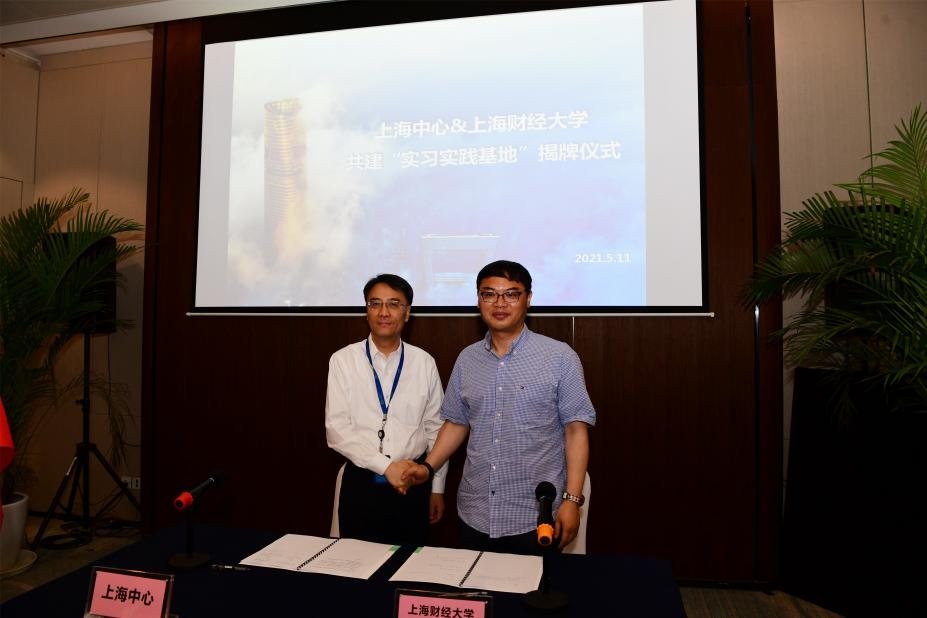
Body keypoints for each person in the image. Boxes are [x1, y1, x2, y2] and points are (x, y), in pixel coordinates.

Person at [402, 260, 595, 554]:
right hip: (474, 511)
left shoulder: (559, 357)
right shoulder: (467, 359)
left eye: (511, 294)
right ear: (479, 300)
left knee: (536, 585)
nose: (500, 303)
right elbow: (456, 422)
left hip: (535, 515)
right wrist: (428, 468)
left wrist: (572, 500)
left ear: (528, 299)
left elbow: (576, 431)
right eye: (489, 294)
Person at [325, 274, 447, 546]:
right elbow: (337, 431)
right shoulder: (343, 360)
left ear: (407, 313)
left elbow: (436, 430)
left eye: (393, 304)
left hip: (413, 483)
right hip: (361, 483)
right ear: (366, 311)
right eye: (375, 303)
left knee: (409, 564)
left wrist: (437, 488)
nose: (383, 312)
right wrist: (386, 467)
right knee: (355, 563)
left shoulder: (424, 362)